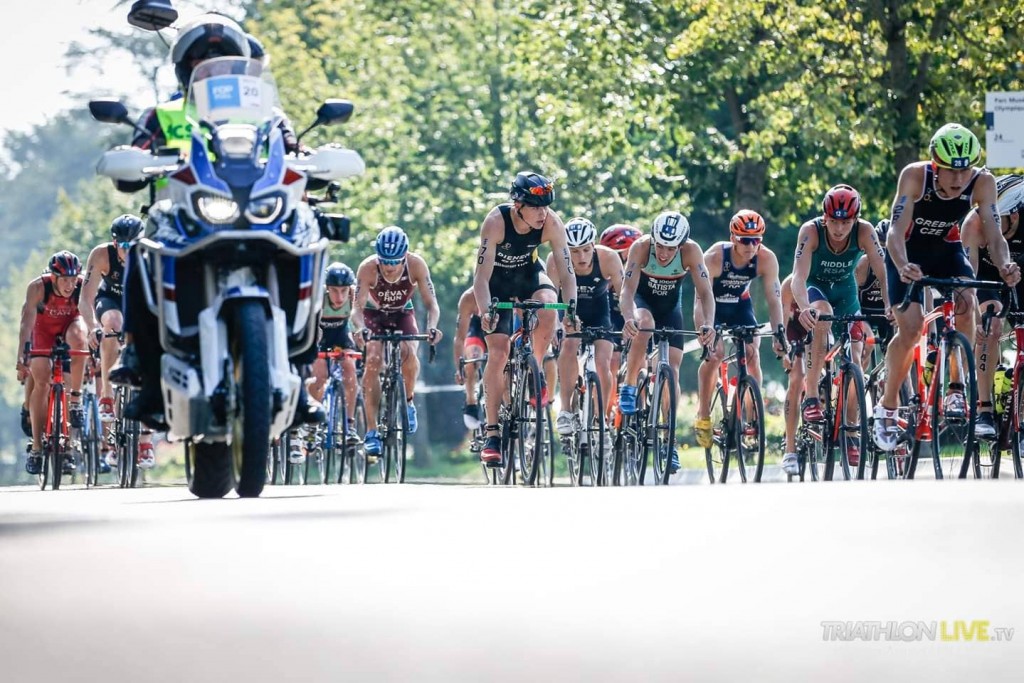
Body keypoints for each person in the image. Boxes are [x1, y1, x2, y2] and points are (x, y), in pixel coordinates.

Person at [874, 124, 1021, 450]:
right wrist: (901, 266)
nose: (958, 179)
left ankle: (955, 385)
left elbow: (995, 238)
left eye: (964, 170)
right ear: (934, 165)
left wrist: (1005, 266)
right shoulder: (914, 176)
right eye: (951, 171)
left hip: (946, 249)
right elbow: (895, 233)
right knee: (910, 329)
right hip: (907, 252)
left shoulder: (983, 183)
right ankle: (886, 406)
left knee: (967, 300)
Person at [472, 172, 578, 465]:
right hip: (496, 283)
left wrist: (571, 309)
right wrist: (486, 313)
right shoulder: (495, 222)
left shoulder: (552, 223)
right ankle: (492, 434)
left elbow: (567, 275)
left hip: (529, 276)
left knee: (548, 304)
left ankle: (537, 368)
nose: (543, 213)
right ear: (518, 204)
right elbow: (480, 279)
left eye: (546, 206)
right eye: (536, 206)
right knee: (498, 352)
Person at [783, 185, 888, 474]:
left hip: (845, 292)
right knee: (823, 316)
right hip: (815, 287)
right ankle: (813, 394)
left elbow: (882, 271)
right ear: (824, 217)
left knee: (857, 357)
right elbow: (798, 277)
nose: (840, 228)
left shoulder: (865, 231)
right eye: (834, 221)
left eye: (846, 222)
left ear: (856, 220)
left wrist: (891, 303)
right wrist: (805, 308)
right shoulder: (811, 231)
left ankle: (851, 430)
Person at [619, 211, 716, 474]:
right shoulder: (640, 248)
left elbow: (706, 293)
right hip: (643, 304)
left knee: (672, 370)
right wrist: (629, 318)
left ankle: (669, 442)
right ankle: (629, 385)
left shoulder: (692, 252)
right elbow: (626, 291)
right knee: (645, 323)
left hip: (671, 310)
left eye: (670, 248)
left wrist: (708, 324)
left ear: (681, 245)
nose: (663, 253)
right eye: (659, 246)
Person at [695, 210, 785, 448]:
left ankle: (753, 414)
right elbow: (699, 300)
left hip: (739, 306)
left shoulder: (766, 259)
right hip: (711, 306)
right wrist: (705, 330)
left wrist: (779, 332)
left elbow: (774, 300)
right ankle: (703, 415)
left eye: (756, 239)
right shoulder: (714, 257)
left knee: (753, 354)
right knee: (715, 356)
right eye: (745, 239)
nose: (751, 245)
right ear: (733, 237)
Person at [351, 226, 442, 457]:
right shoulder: (368, 268)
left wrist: (432, 327)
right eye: (385, 261)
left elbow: (432, 304)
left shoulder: (416, 265)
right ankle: (371, 431)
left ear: (405, 257)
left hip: (403, 313)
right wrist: (360, 328)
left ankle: (408, 402)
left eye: (395, 262)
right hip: (374, 315)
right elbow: (357, 309)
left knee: (409, 353)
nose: (390, 267)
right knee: (373, 358)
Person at [79, 214, 157, 470]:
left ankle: (146, 441)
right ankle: (107, 395)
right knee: (111, 322)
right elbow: (86, 298)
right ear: (114, 244)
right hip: (110, 301)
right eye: (121, 246)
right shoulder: (101, 255)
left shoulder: (152, 254)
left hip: (139, 303)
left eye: (131, 246)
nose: (126, 252)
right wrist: (92, 327)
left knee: (148, 358)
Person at [546, 217, 624, 435]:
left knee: (604, 362)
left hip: (599, 311)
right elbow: (550, 296)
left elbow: (624, 294)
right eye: (574, 251)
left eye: (586, 250)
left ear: (594, 246)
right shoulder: (555, 259)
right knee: (569, 346)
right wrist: (555, 323)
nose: (581, 257)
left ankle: (601, 418)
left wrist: (631, 319)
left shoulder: (609, 258)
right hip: (568, 309)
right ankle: (566, 410)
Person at [962, 174, 1024, 439]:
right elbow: (968, 282)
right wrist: (976, 318)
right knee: (991, 321)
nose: (991, 227)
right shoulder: (973, 225)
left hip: (1018, 273)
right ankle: (984, 408)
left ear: (1015, 216)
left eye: (998, 222)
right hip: (985, 276)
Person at [16, 252, 89, 475]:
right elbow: (27, 321)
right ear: (53, 276)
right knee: (42, 378)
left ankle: (74, 403)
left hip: (70, 328)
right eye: (65, 279)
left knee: (79, 339)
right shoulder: (38, 287)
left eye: (73, 279)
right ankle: (37, 447)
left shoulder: (82, 285)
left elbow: (89, 314)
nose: (70, 284)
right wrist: (22, 355)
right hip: (42, 331)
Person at [308, 262, 359, 447]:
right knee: (319, 375)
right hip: (319, 335)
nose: (340, 297)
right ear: (327, 289)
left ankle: (350, 425)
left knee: (350, 368)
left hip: (341, 335)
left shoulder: (354, 296)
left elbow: (358, 323)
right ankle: (312, 425)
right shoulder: (318, 298)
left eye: (344, 290)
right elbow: (311, 329)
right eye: (334, 291)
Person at [599, 223, 642, 383]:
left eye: (619, 254)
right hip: (610, 316)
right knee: (613, 358)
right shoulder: (606, 268)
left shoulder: (642, 267)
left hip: (634, 314)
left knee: (642, 358)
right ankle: (605, 406)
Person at [453, 287, 485, 430]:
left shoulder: (507, 288)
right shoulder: (469, 297)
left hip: (504, 325)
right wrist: (459, 369)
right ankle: (471, 402)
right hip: (478, 329)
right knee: (472, 357)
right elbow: (460, 338)